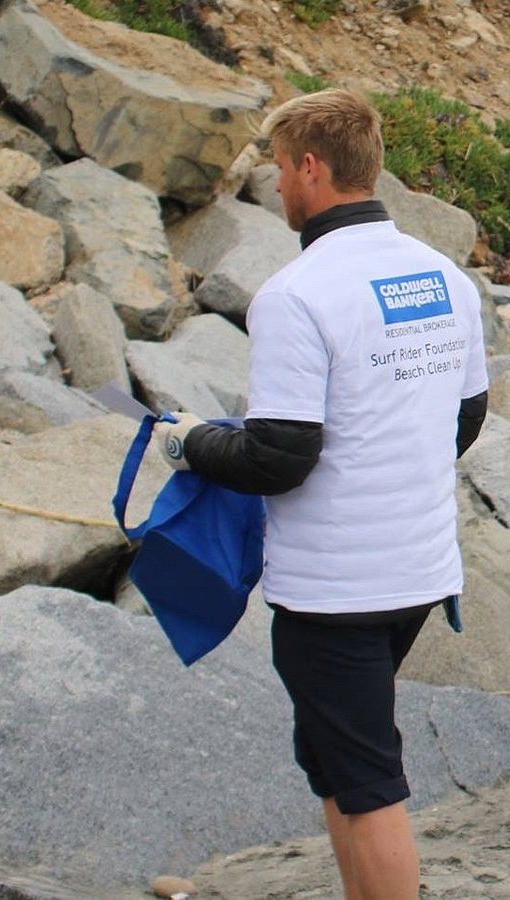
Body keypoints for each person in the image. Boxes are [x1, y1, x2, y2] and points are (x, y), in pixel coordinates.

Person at [148, 89, 490, 900]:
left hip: (336, 587)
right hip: (418, 569)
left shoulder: (296, 294)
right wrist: (393, 465)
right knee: (332, 758)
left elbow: (279, 454)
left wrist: (186, 441)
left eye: (277, 166)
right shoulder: (443, 277)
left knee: (367, 778)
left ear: (311, 166)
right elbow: (465, 413)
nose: (272, 185)